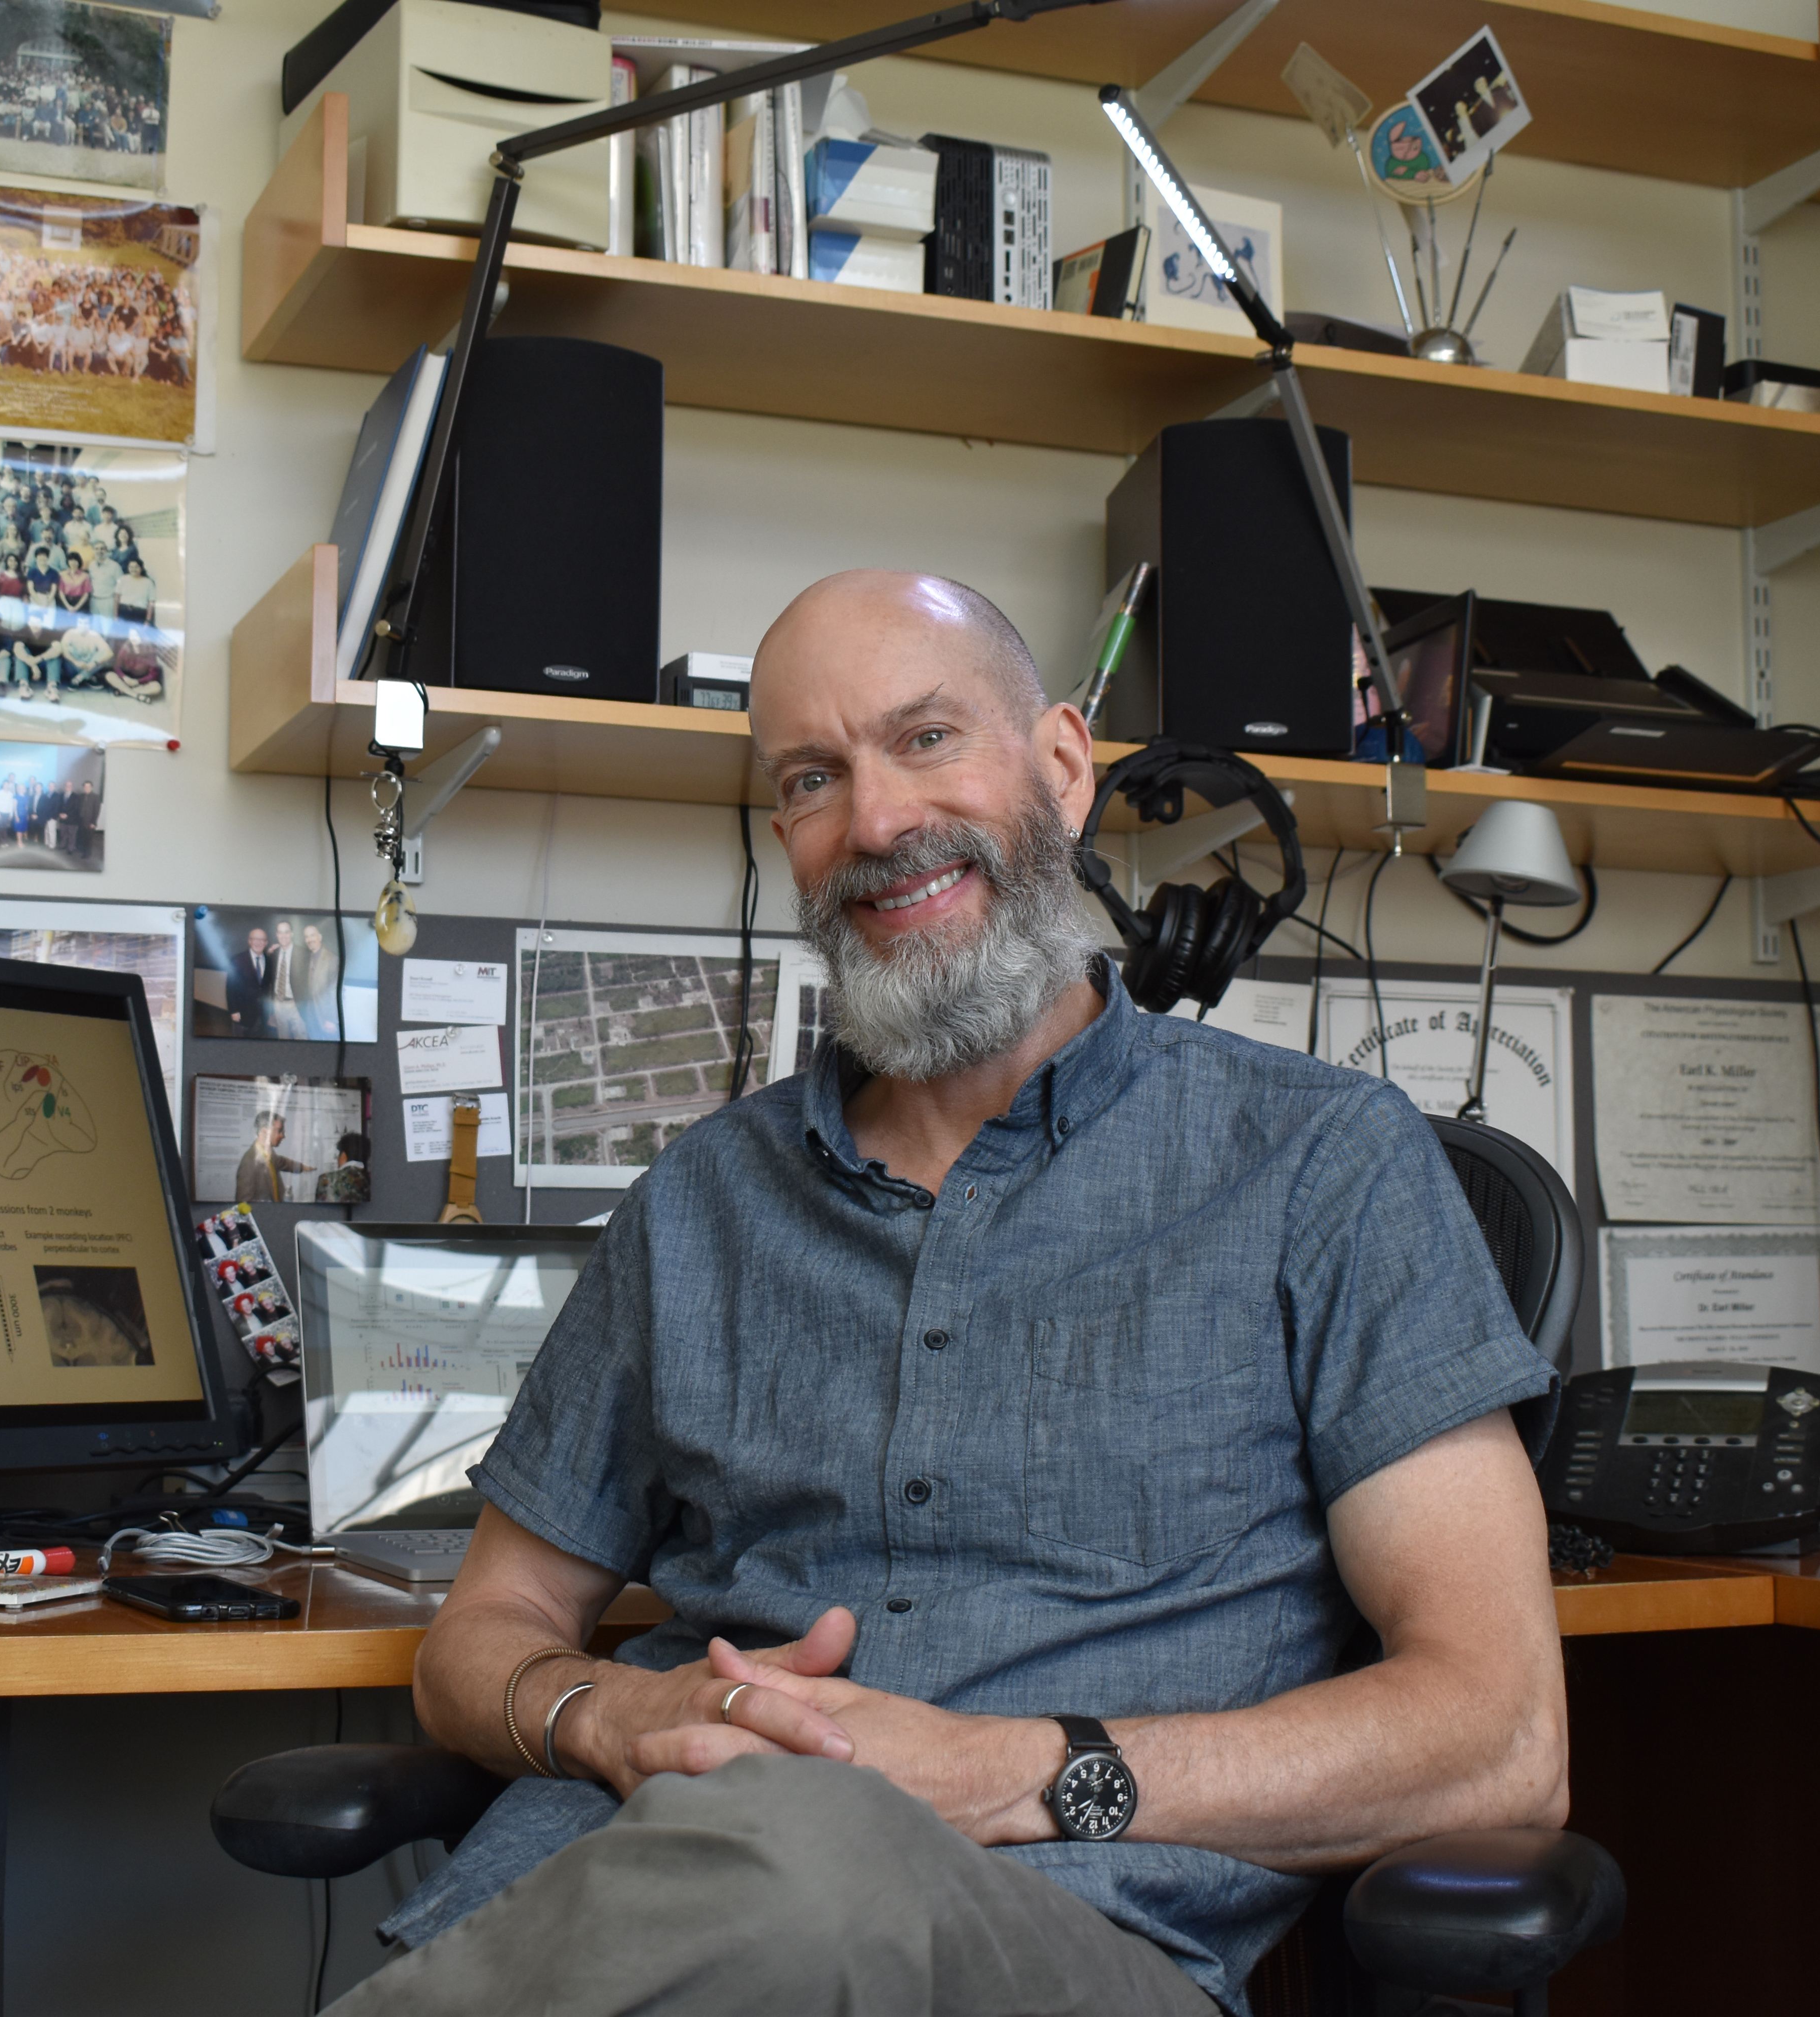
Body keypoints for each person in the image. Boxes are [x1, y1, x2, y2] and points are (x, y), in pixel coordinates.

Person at [326, 571, 1565, 2017]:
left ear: (1059, 767)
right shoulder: (702, 1204)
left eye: (926, 741)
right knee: (769, 1846)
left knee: (810, 1845)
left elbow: (1500, 1736)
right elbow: (479, 1638)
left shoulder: (1320, 1167)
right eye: (811, 778)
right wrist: (615, 1714)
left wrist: (1005, 1772)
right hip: (594, 1910)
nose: (877, 822)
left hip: (1048, 1948)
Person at [233, 1110, 313, 1204]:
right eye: (279, 1131)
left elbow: (283, 1163)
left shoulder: (268, 1153)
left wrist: (306, 1168)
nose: (283, 1136)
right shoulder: (249, 1164)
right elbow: (243, 1203)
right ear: (264, 1132)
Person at [228, 924, 280, 1035]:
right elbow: (230, 987)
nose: (259, 943)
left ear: (266, 943)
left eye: (262, 940)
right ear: (249, 941)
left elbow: (268, 987)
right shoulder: (237, 960)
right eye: (255, 939)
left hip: (263, 1014)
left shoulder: (269, 961)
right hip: (243, 1013)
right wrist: (234, 1011)